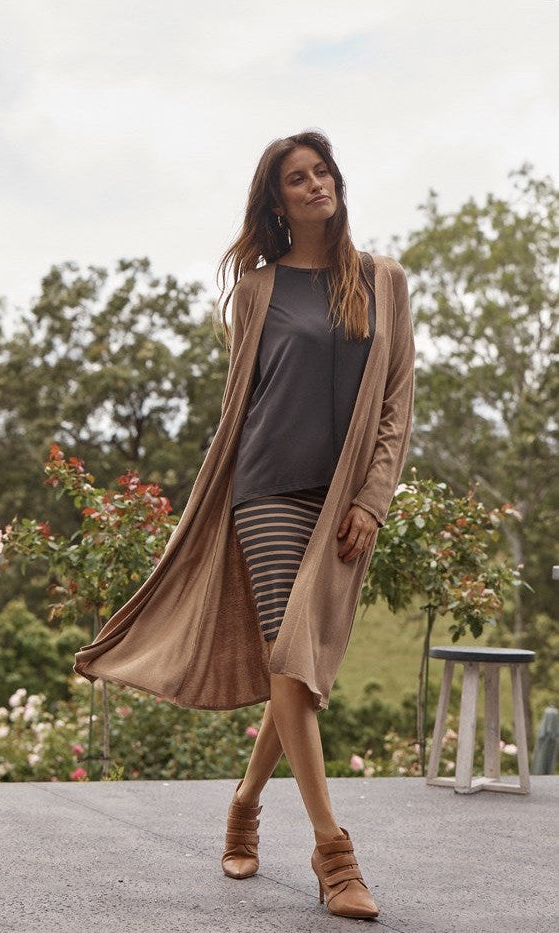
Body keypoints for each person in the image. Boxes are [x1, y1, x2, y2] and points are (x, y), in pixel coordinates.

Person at [214, 129, 413, 920]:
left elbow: (396, 402)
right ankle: (335, 856)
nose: (313, 185)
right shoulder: (257, 290)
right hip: (264, 488)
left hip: (342, 500)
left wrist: (372, 497)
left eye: (320, 171)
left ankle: (244, 801)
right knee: (282, 655)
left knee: (298, 666)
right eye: (295, 178)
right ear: (276, 200)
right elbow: (242, 403)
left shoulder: (382, 280)